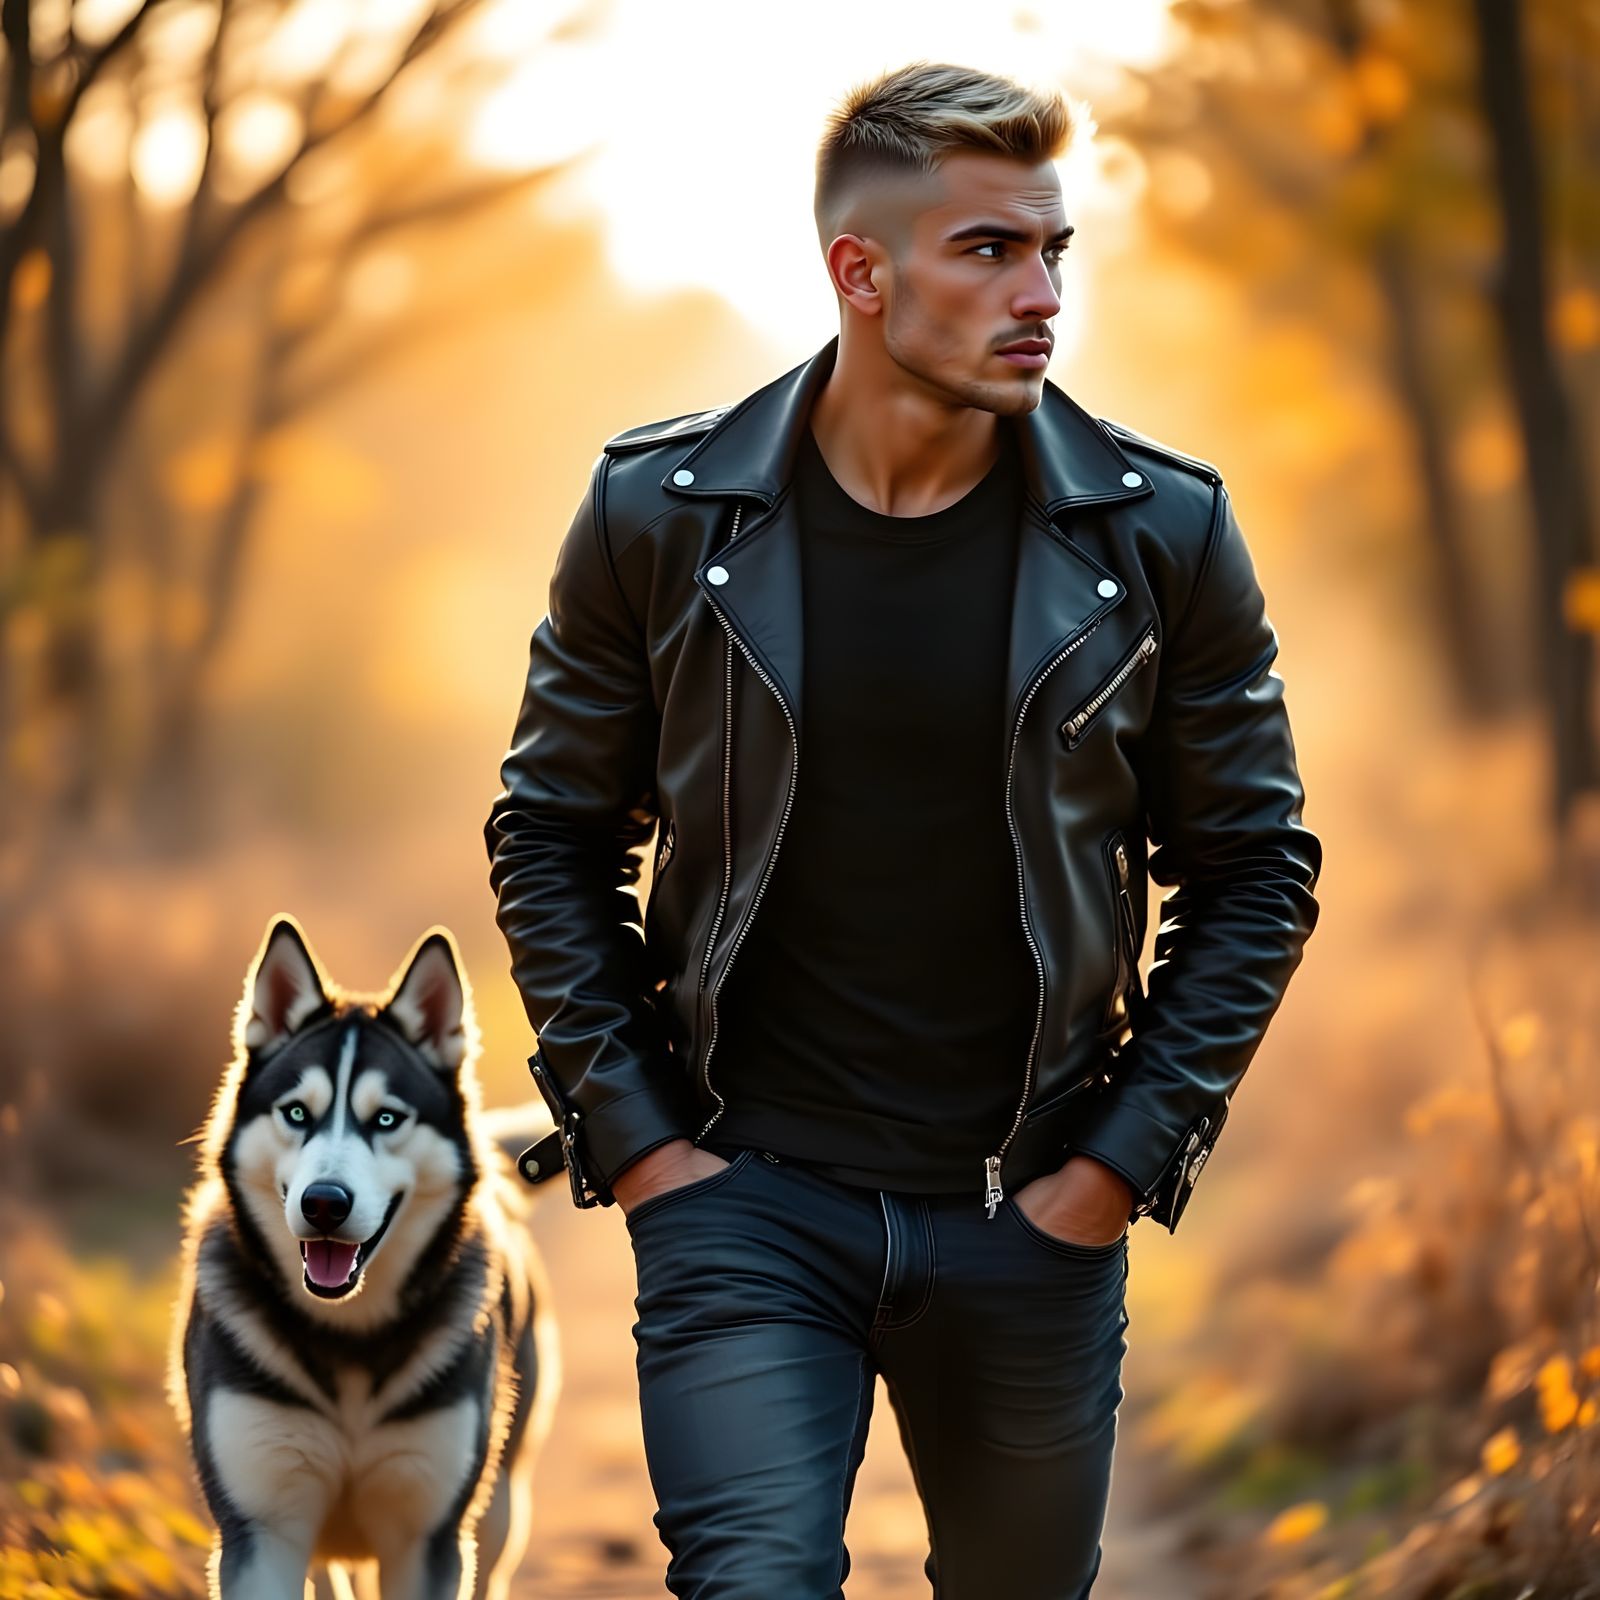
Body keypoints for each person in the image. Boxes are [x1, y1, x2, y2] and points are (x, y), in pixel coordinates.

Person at [485, 58, 1322, 1600]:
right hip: (747, 1210)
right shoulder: (660, 516)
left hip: (1031, 1219)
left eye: (1055, 250)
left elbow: (1258, 871)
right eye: (991, 249)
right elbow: (549, 835)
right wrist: (649, 1150)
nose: (1042, 293)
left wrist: (1113, 1175)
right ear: (860, 276)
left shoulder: (1161, 536)